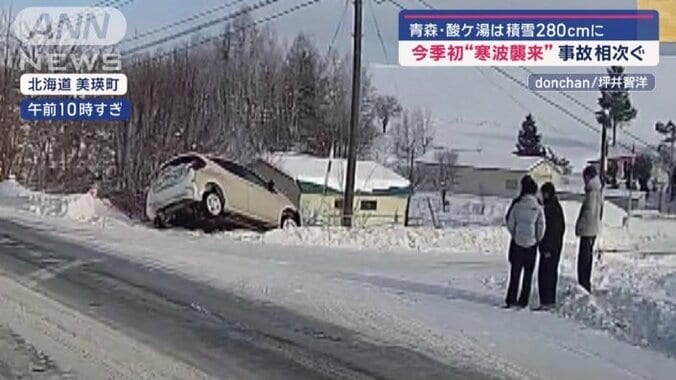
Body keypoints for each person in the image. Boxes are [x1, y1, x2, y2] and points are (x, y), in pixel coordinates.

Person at [504, 175, 546, 308]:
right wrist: (537, 239)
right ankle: (523, 301)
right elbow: (541, 225)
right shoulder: (538, 206)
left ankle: (511, 299)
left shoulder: (517, 204)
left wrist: (515, 235)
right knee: (528, 275)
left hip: (517, 244)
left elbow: (510, 222)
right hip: (531, 245)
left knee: (515, 273)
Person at [537, 182, 565, 310]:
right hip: (555, 247)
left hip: (549, 248)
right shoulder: (556, 207)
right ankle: (549, 301)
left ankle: (546, 302)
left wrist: (546, 248)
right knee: (550, 273)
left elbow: (550, 231)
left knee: (545, 274)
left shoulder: (550, 209)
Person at [575, 165, 603, 292]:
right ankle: (585, 282)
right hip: (594, 228)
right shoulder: (598, 191)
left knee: (584, 259)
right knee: (588, 257)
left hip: (587, 229)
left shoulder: (592, 192)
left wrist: (580, 226)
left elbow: (588, 211)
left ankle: (583, 283)